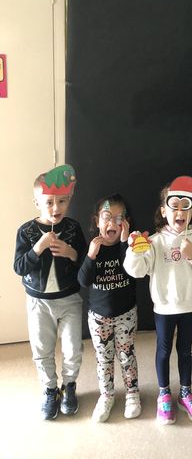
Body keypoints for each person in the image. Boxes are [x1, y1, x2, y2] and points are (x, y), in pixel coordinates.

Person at [124, 176, 192, 425]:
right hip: (164, 307)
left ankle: (185, 393)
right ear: (164, 211)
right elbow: (137, 271)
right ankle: (164, 394)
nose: (179, 212)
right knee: (164, 351)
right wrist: (134, 250)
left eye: (185, 206)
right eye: (173, 206)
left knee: (185, 351)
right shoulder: (154, 242)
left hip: (190, 305)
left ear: (191, 211)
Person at [13, 165, 86, 420]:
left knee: (73, 349)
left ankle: (69, 386)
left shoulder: (73, 228)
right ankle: (50, 389)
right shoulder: (26, 231)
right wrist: (38, 248)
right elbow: (19, 267)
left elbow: (85, 263)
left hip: (69, 300)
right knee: (42, 349)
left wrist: (70, 252)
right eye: (49, 202)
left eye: (62, 201)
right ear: (37, 202)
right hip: (38, 303)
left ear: (69, 200)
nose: (56, 208)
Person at [78, 194, 141, 423]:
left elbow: (132, 271)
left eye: (119, 218)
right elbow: (83, 280)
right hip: (98, 318)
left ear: (126, 223)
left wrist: (125, 243)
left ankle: (132, 393)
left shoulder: (129, 247)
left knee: (126, 355)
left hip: (126, 314)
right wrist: (90, 255)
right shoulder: (93, 248)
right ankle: (106, 395)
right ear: (97, 222)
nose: (112, 222)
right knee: (104, 359)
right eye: (107, 217)